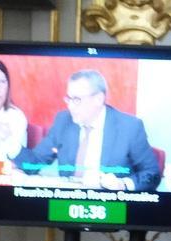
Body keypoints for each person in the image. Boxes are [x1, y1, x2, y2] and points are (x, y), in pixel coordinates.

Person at [11, 69, 161, 191]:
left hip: (112, 204)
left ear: (98, 99)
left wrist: (123, 184)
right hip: (68, 204)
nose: (70, 106)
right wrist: (10, 144)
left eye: (76, 100)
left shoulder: (129, 127)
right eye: (68, 99)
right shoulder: (63, 120)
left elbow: (152, 174)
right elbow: (35, 162)